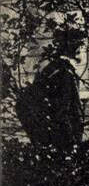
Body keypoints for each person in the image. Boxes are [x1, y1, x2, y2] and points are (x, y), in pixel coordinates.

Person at [15, 26, 85, 154]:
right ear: (76, 49)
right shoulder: (64, 73)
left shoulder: (50, 69)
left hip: (48, 137)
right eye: (80, 45)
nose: (82, 49)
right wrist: (72, 144)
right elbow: (63, 111)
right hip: (61, 141)